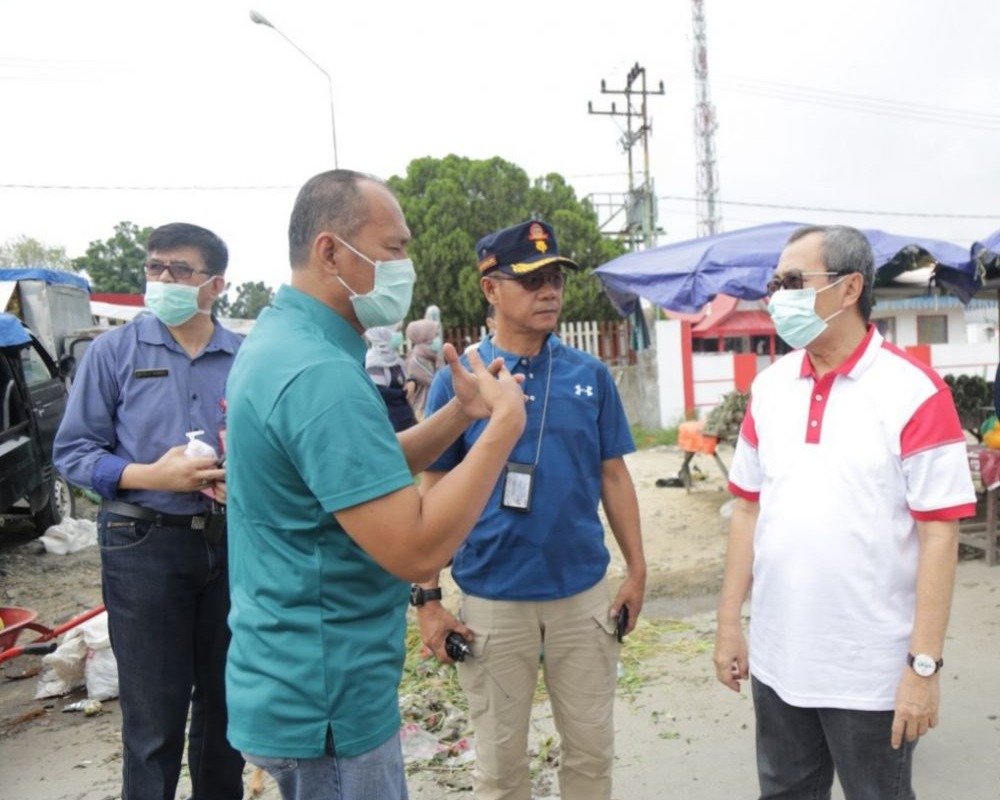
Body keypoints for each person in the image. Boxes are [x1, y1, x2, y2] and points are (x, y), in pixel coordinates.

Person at [223, 169, 526, 800]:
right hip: (327, 696)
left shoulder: (285, 341)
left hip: (289, 673)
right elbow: (416, 548)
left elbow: (357, 470)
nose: (406, 266)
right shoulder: (318, 373)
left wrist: (459, 415)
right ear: (330, 250)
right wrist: (502, 427)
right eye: (394, 249)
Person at [712, 224, 977, 800]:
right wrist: (730, 623)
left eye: (793, 281)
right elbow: (747, 512)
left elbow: (940, 535)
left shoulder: (915, 392)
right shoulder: (771, 388)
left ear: (850, 287)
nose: (778, 296)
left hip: (871, 674)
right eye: (775, 282)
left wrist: (923, 667)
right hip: (780, 664)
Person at [415, 219, 646, 800]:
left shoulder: (589, 375)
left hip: (582, 599)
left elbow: (613, 476)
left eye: (556, 279)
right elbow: (431, 489)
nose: (551, 291)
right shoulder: (463, 381)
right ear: (491, 290)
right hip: (493, 601)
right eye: (532, 280)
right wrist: (428, 599)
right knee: (500, 769)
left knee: (592, 756)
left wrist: (638, 571)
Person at [53, 222, 245, 800]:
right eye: (154, 268)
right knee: (154, 721)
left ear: (215, 285)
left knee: (225, 708)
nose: (161, 280)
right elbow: (73, 452)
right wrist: (149, 475)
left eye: (178, 271)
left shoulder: (244, 356)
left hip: (230, 541)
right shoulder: (115, 352)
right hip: (144, 544)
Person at [365, 323, 418, 432]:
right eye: (396, 331)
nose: (399, 335)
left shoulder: (394, 358)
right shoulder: (373, 362)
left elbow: (403, 379)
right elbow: (382, 393)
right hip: (391, 425)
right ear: (383, 333)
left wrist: (412, 382)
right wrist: (403, 393)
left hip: (405, 421)